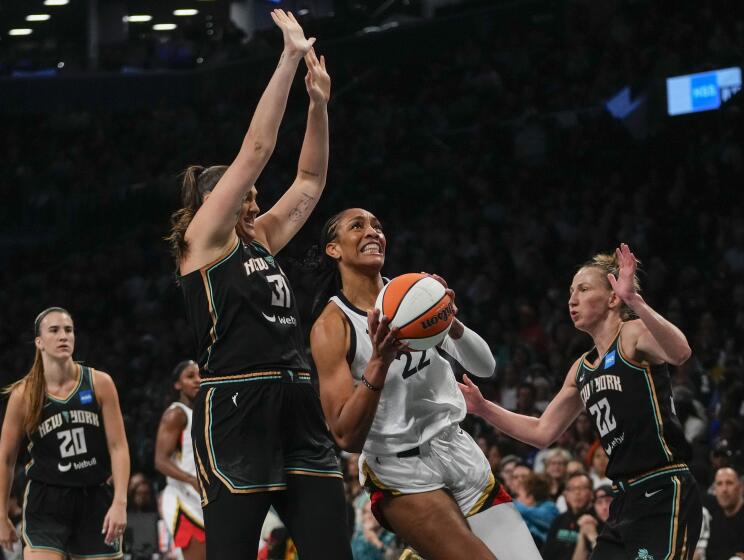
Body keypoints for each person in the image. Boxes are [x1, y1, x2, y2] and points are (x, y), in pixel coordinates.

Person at [166, 11, 349, 559]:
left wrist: (317, 104)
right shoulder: (201, 243)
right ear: (209, 206)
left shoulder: (260, 240)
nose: (253, 200)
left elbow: (311, 181)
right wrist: (289, 59)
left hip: (296, 396)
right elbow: (256, 151)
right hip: (235, 402)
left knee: (330, 549)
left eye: (252, 195)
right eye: (243, 195)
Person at [309, 208, 542, 559]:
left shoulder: (415, 296)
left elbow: (486, 367)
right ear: (334, 249)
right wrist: (379, 362)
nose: (373, 232)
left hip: (458, 449)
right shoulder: (332, 325)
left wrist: (450, 318)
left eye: (378, 226)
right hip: (400, 469)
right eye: (358, 227)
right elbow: (346, 435)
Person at [461, 244, 702, 559]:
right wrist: (482, 407)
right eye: (571, 291)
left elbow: (680, 352)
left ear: (613, 298)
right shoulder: (581, 368)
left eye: (584, 289)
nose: (572, 299)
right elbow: (542, 432)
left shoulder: (633, 334)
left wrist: (635, 301)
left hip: (665, 488)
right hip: (623, 499)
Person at [0, 307, 130, 559]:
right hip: (46, 500)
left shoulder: (100, 383)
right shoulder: (24, 395)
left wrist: (120, 502)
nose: (63, 336)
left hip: (94, 496)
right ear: (39, 342)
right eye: (54, 331)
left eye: (68, 330)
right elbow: (6, 459)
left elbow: (118, 447)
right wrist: (0, 514)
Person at [155, 360, 205, 560]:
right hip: (183, 498)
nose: (198, 380)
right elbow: (160, 460)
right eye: (190, 376)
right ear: (178, 385)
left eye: (200, 375)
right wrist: (192, 480)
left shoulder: (202, 414)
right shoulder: (176, 414)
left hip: (201, 497)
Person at [543, 472, 594, 560]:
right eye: (572, 489)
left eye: (582, 488)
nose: (577, 492)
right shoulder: (558, 520)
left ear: (591, 493)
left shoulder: (594, 521)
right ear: (565, 494)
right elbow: (546, 553)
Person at [704, 466, 744, 560]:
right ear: (715, 490)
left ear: (740, 487)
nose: (724, 489)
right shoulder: (714, 520)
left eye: (729, 483)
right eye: (719, 484)